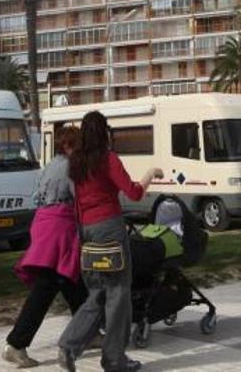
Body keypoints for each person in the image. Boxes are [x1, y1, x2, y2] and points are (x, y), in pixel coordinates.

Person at [58, 111, 163, 372]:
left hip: (86, 231)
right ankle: (115, 360)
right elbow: (134, 193)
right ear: (105, 132)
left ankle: (69, 345)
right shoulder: (108, 159)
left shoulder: (76, 163)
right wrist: (151, 173)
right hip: (110, 230)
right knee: (118, 294)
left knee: (97, 293)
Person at [3, 126, 88, 368]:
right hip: (59, 231)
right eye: (80, 145)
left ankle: (89, 331)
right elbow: (80, 197)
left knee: (74, 284)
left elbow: (36, 197)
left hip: (44, 224)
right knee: (47, 287)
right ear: (70, 146)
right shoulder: (71, 167)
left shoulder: (50, 165)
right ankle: (16, 344)